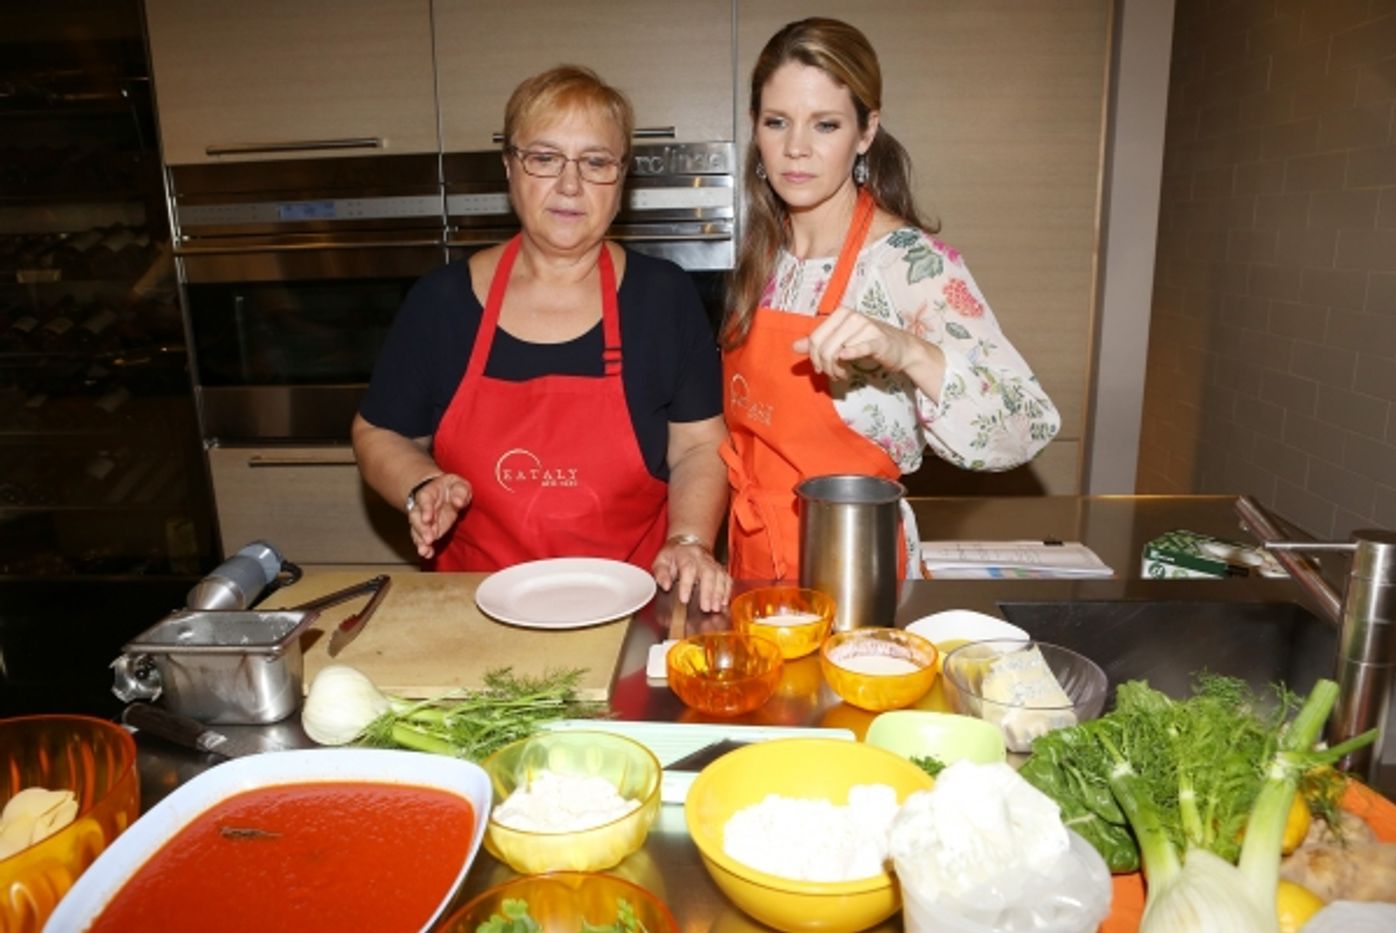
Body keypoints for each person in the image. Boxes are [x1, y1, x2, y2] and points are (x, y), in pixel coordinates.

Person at [353, 65, 731, 611]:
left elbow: (699, 444)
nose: (570, 185)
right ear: (510, 167)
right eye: (545, 158)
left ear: (621, 180)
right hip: (473, 609)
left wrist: (689, 539)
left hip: (634, 605)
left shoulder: (663, 297)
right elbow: (378, 433)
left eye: (595, 162)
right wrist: (420, 484)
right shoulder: (441, 303)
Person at [722, 18, 1061, 582]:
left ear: (865, 131)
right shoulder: (764, 257)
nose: (796, 149)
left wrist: (907, 350)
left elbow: (1026, 426)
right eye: (776, 122)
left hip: (856, 570)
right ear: (755, 128)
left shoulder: (909, 264)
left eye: (825, 125)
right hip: (754, 560)